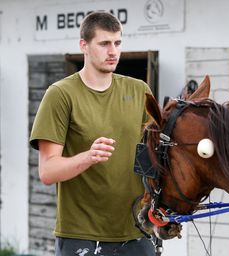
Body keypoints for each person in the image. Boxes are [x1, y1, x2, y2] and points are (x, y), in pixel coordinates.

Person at [30, 11, 155, 256]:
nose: (113, 51)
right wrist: (89, 156)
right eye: (104, 43)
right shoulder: (60, 94)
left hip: (136, 231)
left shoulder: (139, 90)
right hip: (81, 236)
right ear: (84, 46)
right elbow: (47, 171)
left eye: (117, 43)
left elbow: (154, 157)